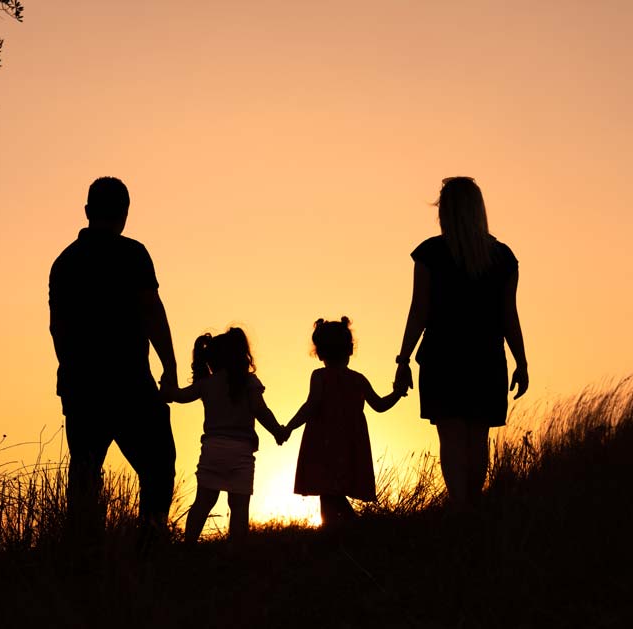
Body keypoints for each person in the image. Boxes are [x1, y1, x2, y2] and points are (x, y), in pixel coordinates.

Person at [49, 176, 178, 540]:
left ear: (88, 211)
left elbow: (57, 328)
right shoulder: (133, 254)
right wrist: (169, 368)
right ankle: (151, 538)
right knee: (158, 462)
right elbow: (152, 311)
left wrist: (72, 372)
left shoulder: (64, 263)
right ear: (125, 214)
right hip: (130, 384)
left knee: (86, 470)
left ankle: (82, 548)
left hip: (81, 386)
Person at [393, 176, 528, 512]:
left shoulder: (431, 254)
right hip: (487, 359)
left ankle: (460, 509)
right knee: (476, 439)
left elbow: (419, 310)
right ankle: (472, 508)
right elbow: (508, 315)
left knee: (451, 439)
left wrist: (403, 358)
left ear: (446, 212)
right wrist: (522, 362)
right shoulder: (503, 258)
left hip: (442, 358)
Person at [162, 328, 287, 543]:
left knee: (203, 502)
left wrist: (167, 386)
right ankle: (236, 551)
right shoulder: (249, 382)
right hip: (241, 452)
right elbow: (260, 410)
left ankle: (188, 544)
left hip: (213, 450)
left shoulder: (207, 384)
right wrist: (278, 430)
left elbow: (179, 396)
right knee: (239, 506)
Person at [285, 317, 405, 528]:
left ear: (319, 352)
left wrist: (288, 427)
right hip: (349, 446)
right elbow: (379, 405)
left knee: (328, 493)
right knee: (332, 492)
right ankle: (337, 531)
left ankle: (342, 530)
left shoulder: (320, 377)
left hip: (324, 444)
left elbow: (310, 405)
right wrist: (397, 392)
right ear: (350, 349)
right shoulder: (358, 379)